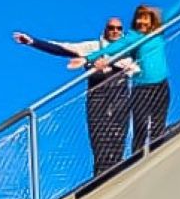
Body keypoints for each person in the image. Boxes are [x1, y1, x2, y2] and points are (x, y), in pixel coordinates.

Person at [72, 0, 180, 160]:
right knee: (140, 126)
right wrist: (88, 59)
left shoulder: (158, 29)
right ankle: (137, 160)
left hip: (161, 85)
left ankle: (156, 157)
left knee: (157, 124)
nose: (142, 23)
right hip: (142, 88)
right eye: (139, 20)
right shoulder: (133, 37)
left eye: (145, 19)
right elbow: (113, 48)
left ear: (151, 20)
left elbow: (175, 8)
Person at [12, 18, 135, 177]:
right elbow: (61, 48)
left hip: (120, 93)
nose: (115, 31)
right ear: (105, 29)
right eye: (111, 28)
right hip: (97, 95)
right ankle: (101, 172)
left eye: (119, 28)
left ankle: (116, 166)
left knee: (118, 134)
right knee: (98, 135)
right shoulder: (91, 47)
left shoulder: (129, 49)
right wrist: (33, 42)